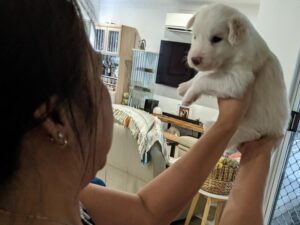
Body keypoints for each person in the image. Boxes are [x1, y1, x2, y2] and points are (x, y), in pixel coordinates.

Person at [0, 1, 277, 225]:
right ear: (57, 118)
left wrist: (228, 126)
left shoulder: (54, 197)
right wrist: (257, 151)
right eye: (97, 74)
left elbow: (147, 211)